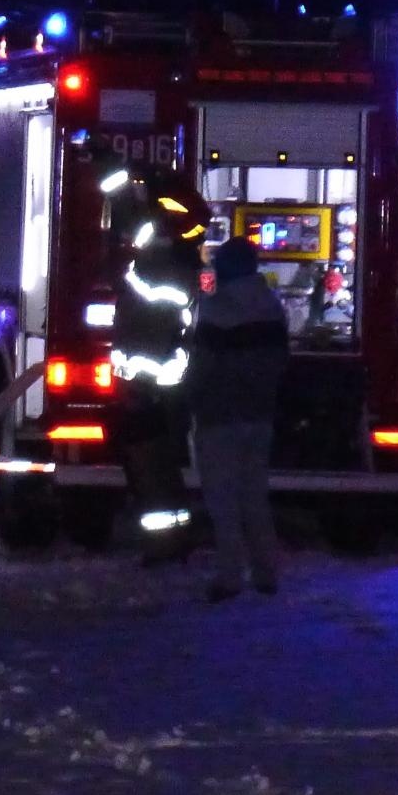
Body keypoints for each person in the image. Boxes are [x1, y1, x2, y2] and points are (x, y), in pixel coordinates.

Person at [106, 169, 208, 565]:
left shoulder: (156, 263)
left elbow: (129, 229)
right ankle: (173, 537)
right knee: (159, 467)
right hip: (160, 382)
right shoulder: (182, 250)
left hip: (149, 384)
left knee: (151, 469)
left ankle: (165, 545)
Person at [188, 235, 290, 602]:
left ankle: (230, 576)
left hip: (219, 416)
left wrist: (189, 400)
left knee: (223, 500)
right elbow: (280, 363)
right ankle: (266, 573)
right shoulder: (272, 307)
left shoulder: (216, 311)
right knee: (254, 497)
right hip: (260, 414)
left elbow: (202, 367)